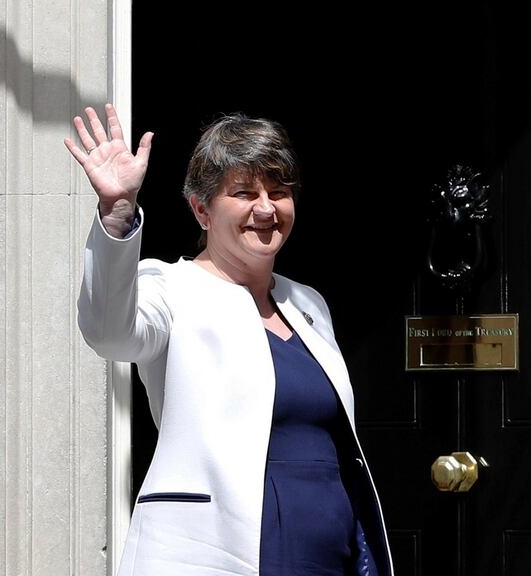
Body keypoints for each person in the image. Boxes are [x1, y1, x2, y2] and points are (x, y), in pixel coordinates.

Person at [66, 103, 392, 576]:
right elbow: (109, 332)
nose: (266, 208)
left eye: (278, 192)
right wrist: (118, 213)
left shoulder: (308, 303)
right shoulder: (169, 287)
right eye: (244, 192)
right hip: (219, 552)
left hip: (328, 551)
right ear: (201, 209)